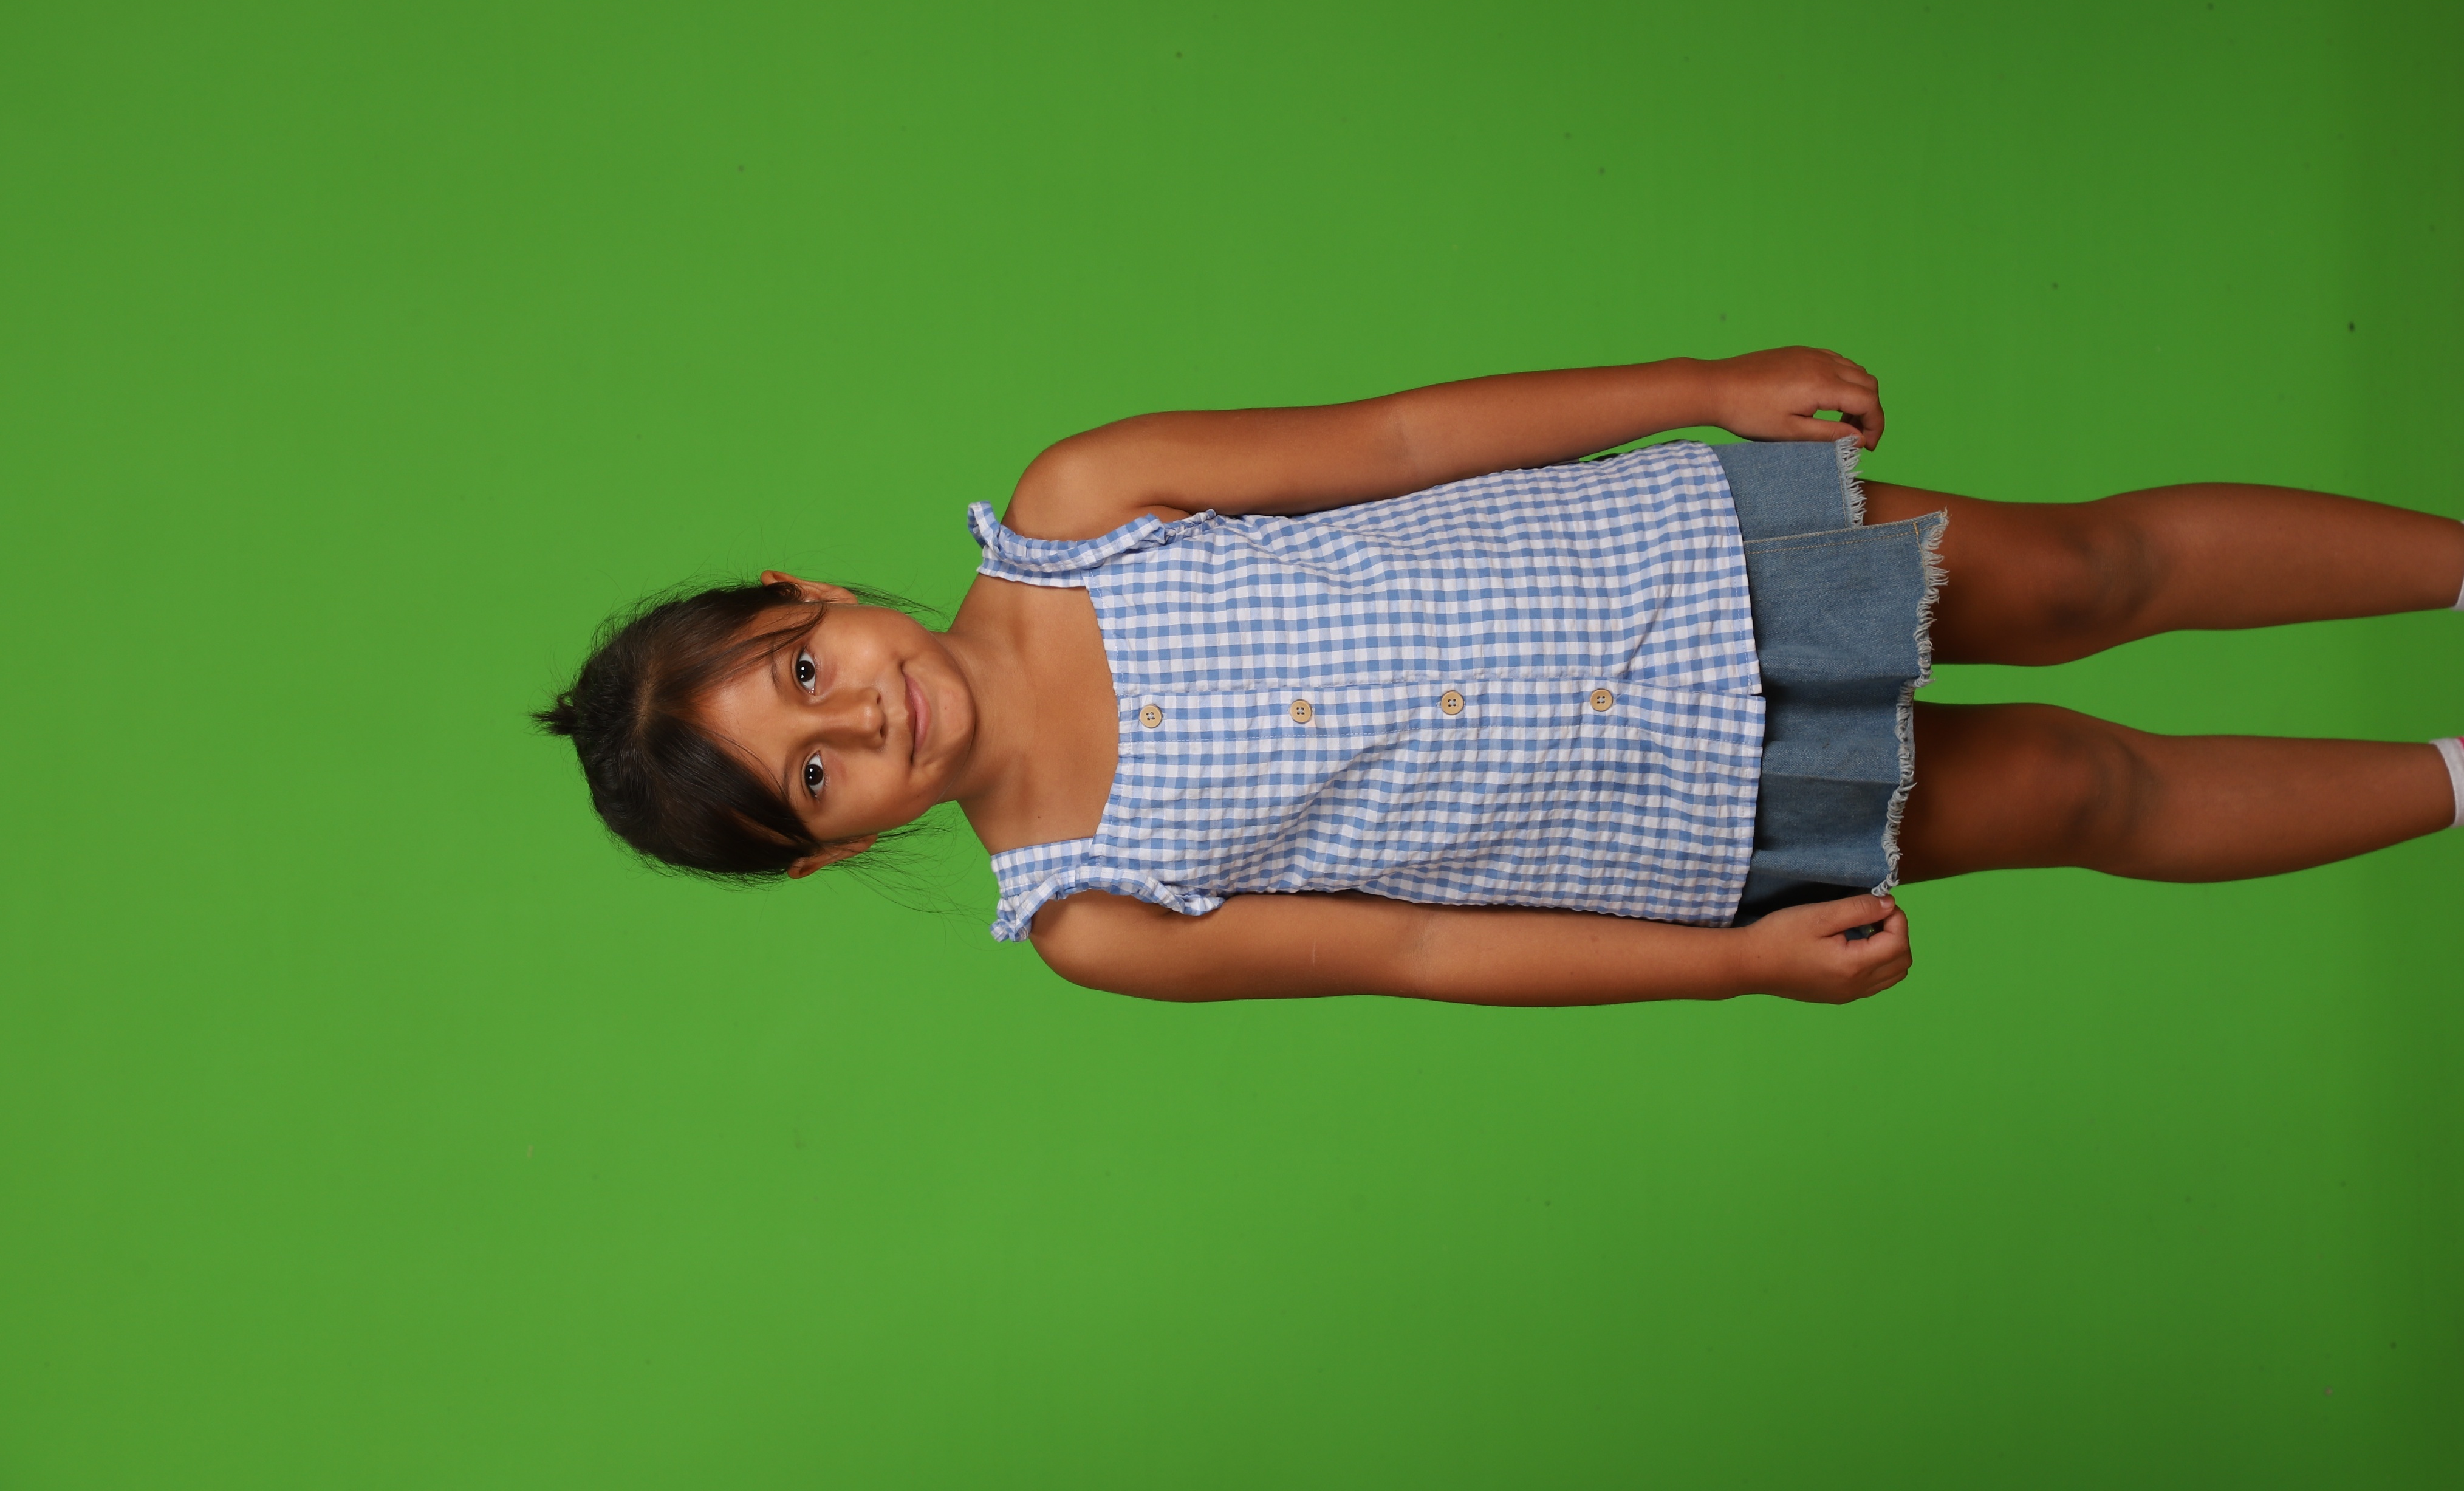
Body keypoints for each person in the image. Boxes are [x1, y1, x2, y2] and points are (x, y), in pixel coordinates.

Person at [533, 349, 2464, 1007]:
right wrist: (1729, 965)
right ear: (828, 851)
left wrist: (1697, 388)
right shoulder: (1092, 916)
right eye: (816, 774)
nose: (863, 716)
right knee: (2082, 791)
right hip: (1687, 822)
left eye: (808, 669)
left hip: (1688, 562)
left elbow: (1396, 441)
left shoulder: (1085, 502)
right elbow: (1415, 949)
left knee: (2089, 573)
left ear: (807, 591)